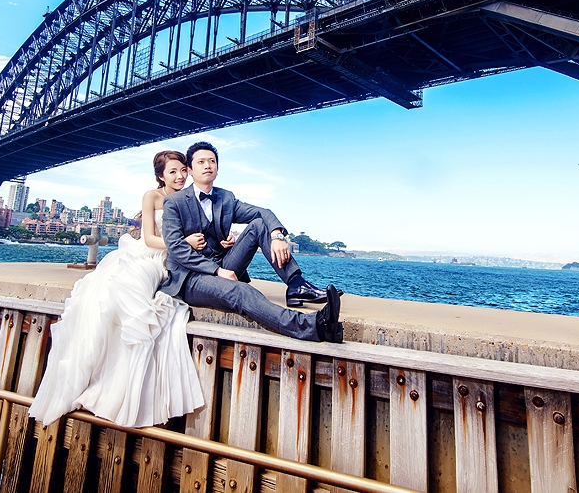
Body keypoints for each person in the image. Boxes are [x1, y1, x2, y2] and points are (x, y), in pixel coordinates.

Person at [29, 151, 206, 427]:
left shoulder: (190, 198)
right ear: (161, 176)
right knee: (110, 294)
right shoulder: (152, 196)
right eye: (173, 171)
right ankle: (93, 376)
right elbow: (149, 238)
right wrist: (184, 243)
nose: (180, 176)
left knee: (132, 297)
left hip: (167, 260)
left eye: (183, 170)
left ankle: (120, 387)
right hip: (148, 253)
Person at [160, 141, 343, 343]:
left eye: (212, 161)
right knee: (241, 292)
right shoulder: (174, 201)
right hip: (190, 277)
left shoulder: (225, 197)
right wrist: (217, 271)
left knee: (259, 224)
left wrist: (277, 236)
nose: (207, 166)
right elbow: (175, 247)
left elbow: (262, 212)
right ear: (190, 170)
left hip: (223, 265)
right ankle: (315, 326)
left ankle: (296, 284)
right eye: (201, 162)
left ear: (218, 168)